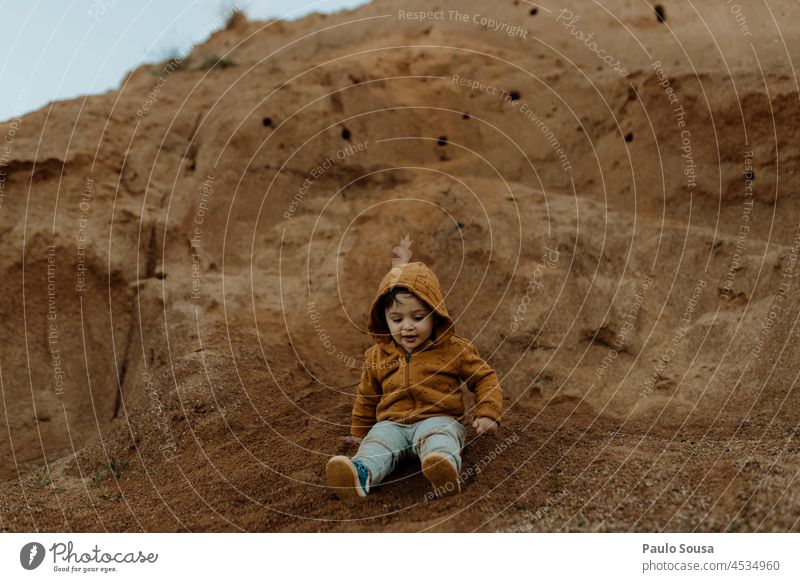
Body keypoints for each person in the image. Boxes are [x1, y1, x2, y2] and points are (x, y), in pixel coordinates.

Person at [326, 261, 503, 500]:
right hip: (393, 425)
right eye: (397, 320)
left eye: (418, 317)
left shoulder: (453, 350)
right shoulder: (377, 355)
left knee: (440, 436)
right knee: (377, 443)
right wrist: (359, 433)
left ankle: (442, 465)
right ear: (384, 320)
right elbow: (367, 395)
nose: (407, 327)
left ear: (435, 314)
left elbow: (484, 377)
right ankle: (361, 473)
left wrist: (488, 412)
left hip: (438, 418)